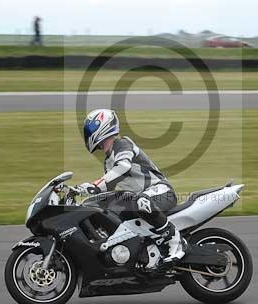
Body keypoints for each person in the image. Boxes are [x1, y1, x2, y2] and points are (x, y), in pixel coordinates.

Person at [77, 108, 185, 266]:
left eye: (89, 130)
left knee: (140, 201)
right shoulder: (108, 162)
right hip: (143, 200)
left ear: (102, 127)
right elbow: (106, 189)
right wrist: (81, 192)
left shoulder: (122, 143)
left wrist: (96, 185)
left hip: (162, 191)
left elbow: (123, 167)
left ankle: (175, 240)